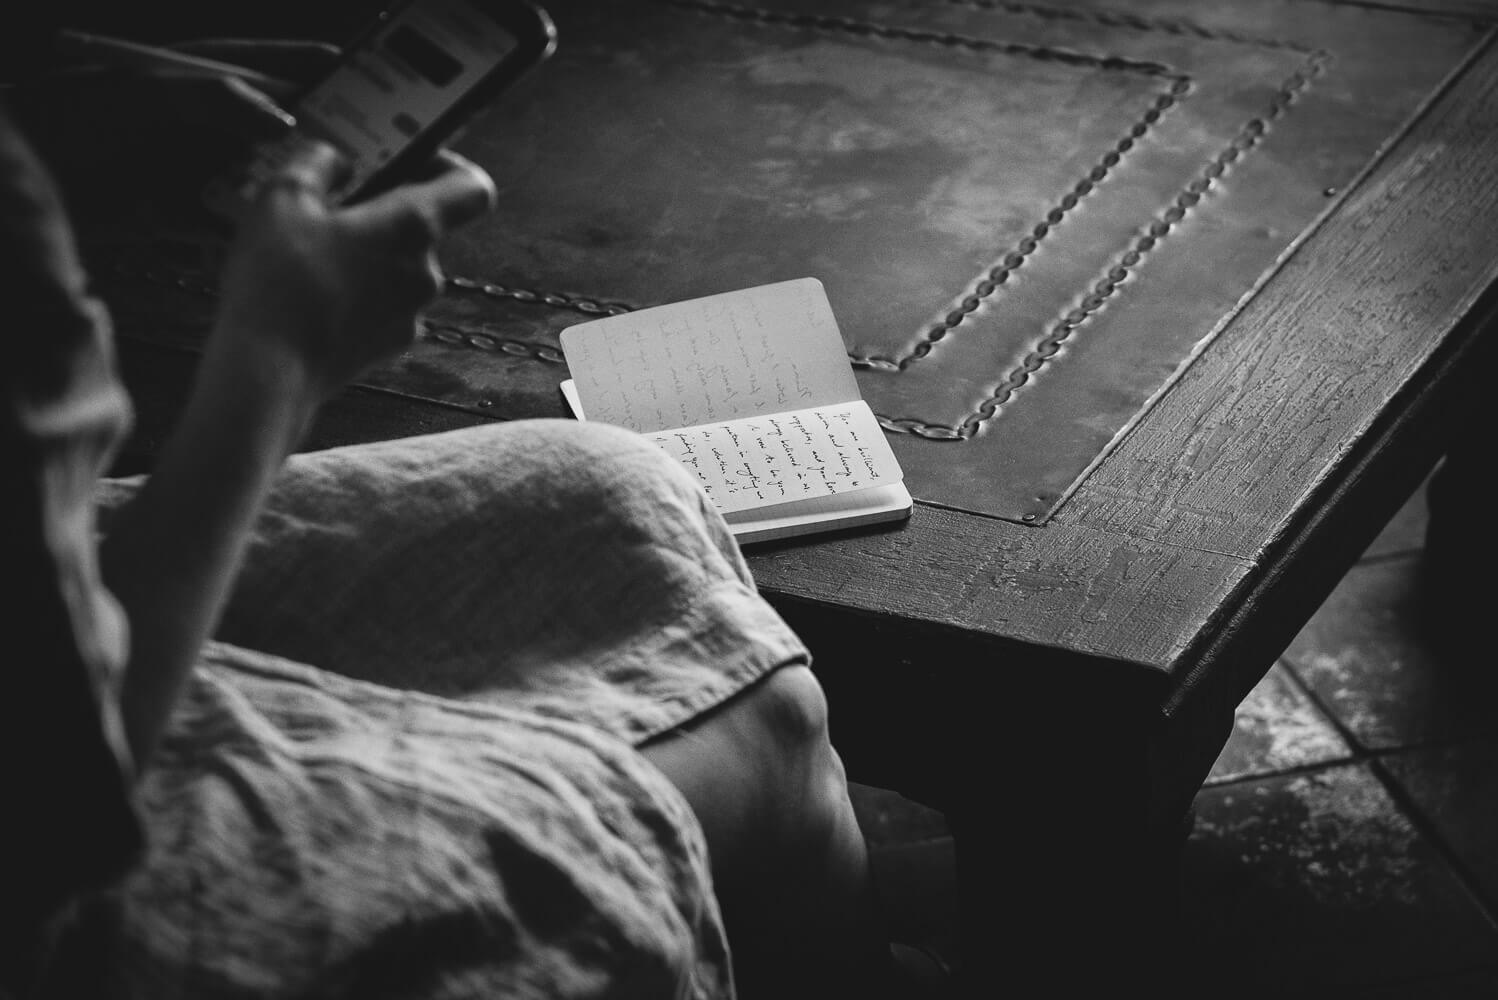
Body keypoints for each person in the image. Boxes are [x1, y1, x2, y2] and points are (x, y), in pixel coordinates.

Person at [0, 34, 948, 1000]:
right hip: (58, 865)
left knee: (612, 487)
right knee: (774, 730)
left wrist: (36, 100)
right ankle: (815, 863)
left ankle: (809, 860)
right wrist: (276, 363)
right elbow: (58, 795)